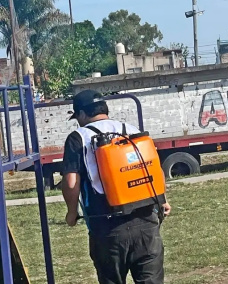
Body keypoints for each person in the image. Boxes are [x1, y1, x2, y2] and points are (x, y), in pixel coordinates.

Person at [61, 90, 171, 284]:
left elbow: (71, 182)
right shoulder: (130, 129)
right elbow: (154, 169)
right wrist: (163, 200)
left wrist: (71, 213)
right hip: (146, 221)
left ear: (82, 114)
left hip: (107, 227)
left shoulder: (78, 138)